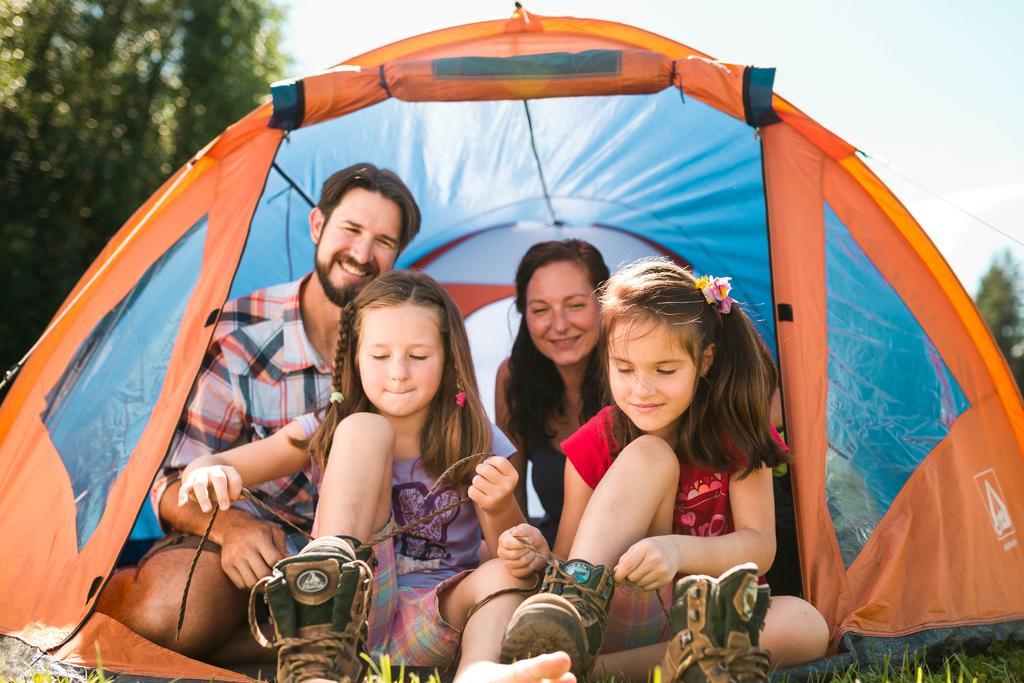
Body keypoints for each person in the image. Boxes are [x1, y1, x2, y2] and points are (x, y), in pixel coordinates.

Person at [178, 270, 570, 683]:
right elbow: (209, 464)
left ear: (448, 359)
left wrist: (499, 505)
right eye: (379, 357)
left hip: (438, 619)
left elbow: (512, 554)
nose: (398, 372)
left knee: (505, 574)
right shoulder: (327, 429)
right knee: (365, 428)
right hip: (349, 607)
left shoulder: (477, 437)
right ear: (354, 360)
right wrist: (207, 473)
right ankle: (319, 653)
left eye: (418, 357)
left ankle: (478, 671)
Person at [96, 163, 422, 660]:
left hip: (358, 557)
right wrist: (233, 530)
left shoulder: (407, 341)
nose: (361, 253)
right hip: (244, 549)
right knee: (168, 615)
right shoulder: (243, 330)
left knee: (389, 613)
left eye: (383, 241)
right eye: (351, 229)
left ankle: (301, 639)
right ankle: (120, 598)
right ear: (318, 226)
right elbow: (170, 483)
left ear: (398, 256)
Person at [496, 259, 829, 680]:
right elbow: (568, 554)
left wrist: (676, 551)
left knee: (805, 622)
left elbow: (760, 545)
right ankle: (572, 620)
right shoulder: (596, 440)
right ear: (608, 360)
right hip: (624, 614)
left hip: (709, 616)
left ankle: (592, 672)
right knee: (649, 454)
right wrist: (543, 557)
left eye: (665, 370)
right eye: (625, 369)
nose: (642, 389)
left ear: (704, 361)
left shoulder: (736, 431)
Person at [495, 239, 610, 545]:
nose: (559, 325)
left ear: (605, 302)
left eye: (575, 305)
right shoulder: (513, 379)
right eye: (541, 309)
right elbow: (511, 502)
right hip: (549, 559)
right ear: (524, 313)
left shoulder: (636, 375)